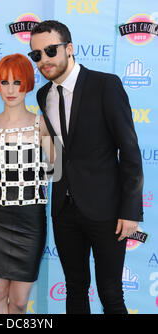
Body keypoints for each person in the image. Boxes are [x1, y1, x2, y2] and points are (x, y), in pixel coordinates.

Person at [29, 20, 144, 314]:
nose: (43, 60)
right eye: (36, 55)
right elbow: (59, 153)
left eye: (50, 50)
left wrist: (130, 211)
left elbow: (129, 150)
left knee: (111, 293)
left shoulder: (105, 85)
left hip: (107, 210)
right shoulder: (44, 96)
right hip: (64, 211)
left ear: (69, 48)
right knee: (75, 287)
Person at [0, 53, 54, 314]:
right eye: (4, 82)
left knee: (20, 301)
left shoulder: (41, 124)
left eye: (17, 82)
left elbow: (58, 167)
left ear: (28, 84)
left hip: (30, 220)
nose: (10, 90)